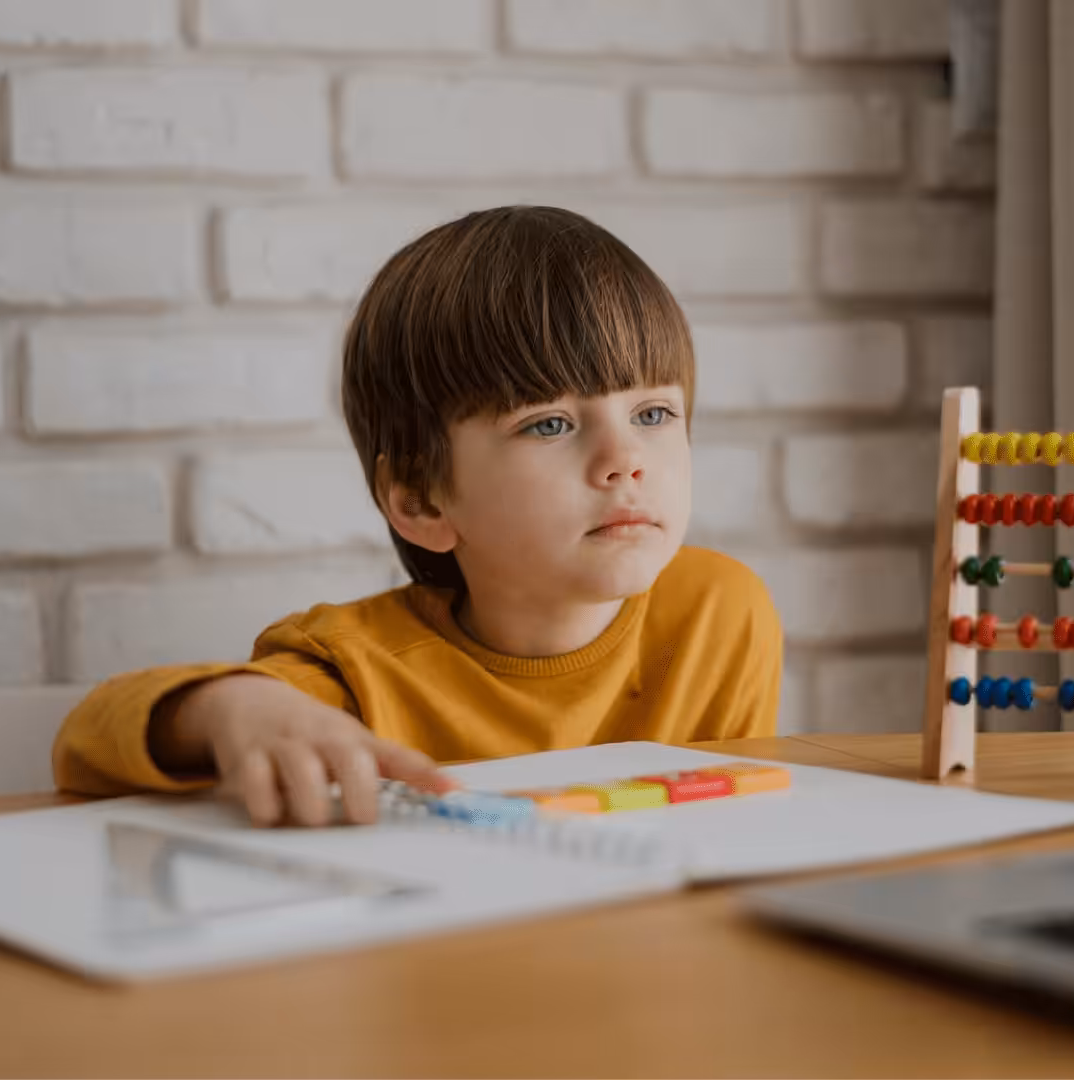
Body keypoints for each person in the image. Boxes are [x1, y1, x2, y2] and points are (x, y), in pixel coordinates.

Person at [52, 206, 784, 825]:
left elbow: (735, 832)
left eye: (653, 412)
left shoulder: (719, 612)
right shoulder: (357, 670)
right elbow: (85, 741)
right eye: (550, 425)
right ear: (422, 500)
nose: (626, 460)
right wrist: (227, 710)